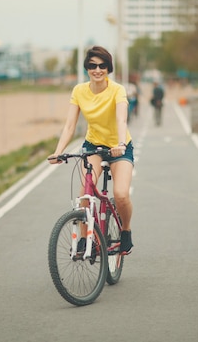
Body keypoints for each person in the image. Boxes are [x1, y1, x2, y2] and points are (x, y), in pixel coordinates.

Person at [48, 46, 134, 254]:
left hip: (118, 146)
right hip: (93, 145)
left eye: (102, 65)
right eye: (92, 65)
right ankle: (86, 240)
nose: (97, 70)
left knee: (121, 194)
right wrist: (58, 151)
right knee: (85, 196)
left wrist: (120, 144)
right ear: (87, 68)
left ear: (108, 68)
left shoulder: (117, 90)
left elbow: (121, 119)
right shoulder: (79, 91)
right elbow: (70, 125)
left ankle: (125, 231)